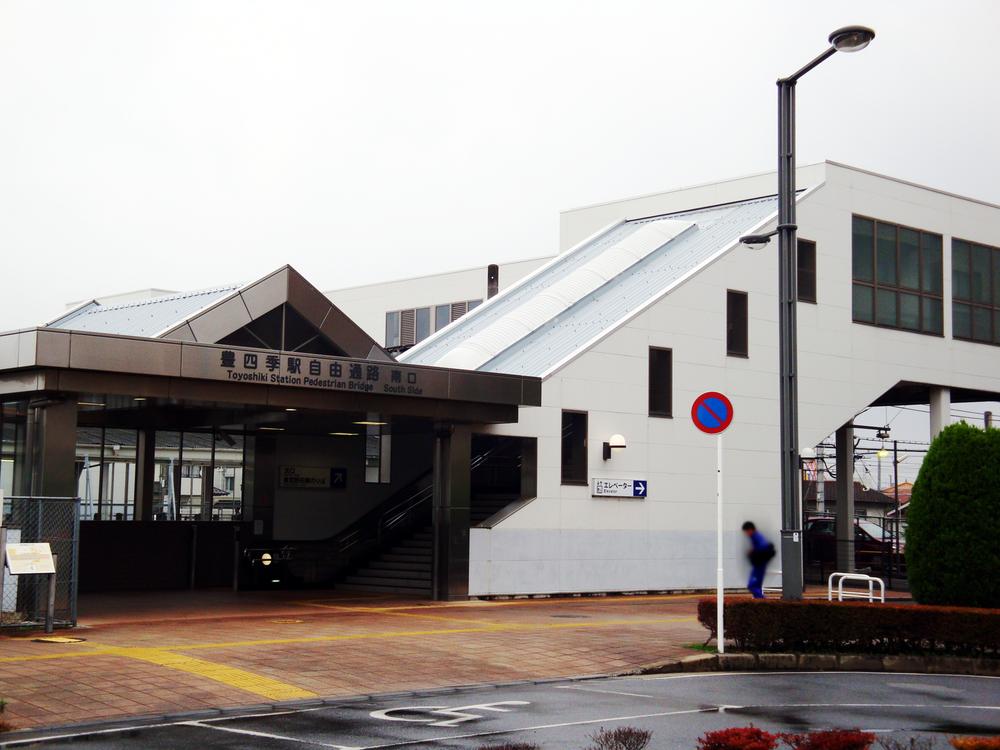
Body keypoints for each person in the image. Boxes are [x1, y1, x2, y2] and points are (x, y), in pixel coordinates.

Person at [742, 521, 775, 599]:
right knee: (757, 585)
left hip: (759, 564)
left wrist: (753, 552)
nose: (746, 534)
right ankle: (760, 600)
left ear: (750, 530)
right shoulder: (755, 537)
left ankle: (762, 599)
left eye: (746, 532)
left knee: (752, 585)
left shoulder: (757, 536)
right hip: (759, 564)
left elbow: (763, 547)